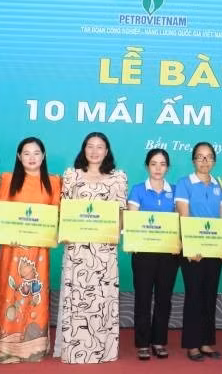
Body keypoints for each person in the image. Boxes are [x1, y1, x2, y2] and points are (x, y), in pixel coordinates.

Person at [53, 132, 127, 364]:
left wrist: (114, 232)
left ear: (107, 151)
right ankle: (75, 349)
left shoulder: (118, 178)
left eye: (100, 147)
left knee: (102, 300)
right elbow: (63, 210)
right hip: (77, 251)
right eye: (90, 146)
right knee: (77, 297)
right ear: (83, 149)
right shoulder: (71, 176)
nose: (95, 151)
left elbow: (121, 214)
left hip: (104, 251)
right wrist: (64, 231)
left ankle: (102, 350)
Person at [0, 137, 61, 363]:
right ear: (19, 157)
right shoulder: (8, 179)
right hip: (12, 250)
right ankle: (5, 347)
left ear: (44, 156)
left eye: (36, 153)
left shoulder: (53, 182)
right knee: (10, 293)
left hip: (39, 252)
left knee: (35, 294)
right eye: (26, 153)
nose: (32, 158)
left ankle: (34, 347)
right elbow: (0, 213)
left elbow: (56, 216)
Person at [174, 142, 222, 362]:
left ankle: (206, 342)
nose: (204, 161)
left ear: (214, 161)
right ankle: (192, 344)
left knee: (209, 296)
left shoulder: (220, 185)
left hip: (215, 249)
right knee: (194, 296)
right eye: (200, 157)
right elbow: (183, 216)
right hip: (193, 251)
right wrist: (191, 245)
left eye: (208, 157)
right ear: (193, 160)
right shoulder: (184, 183)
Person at [127, 149, 178, 360]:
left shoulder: (175, 191)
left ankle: (159, 341)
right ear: (147, 166)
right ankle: (142, 343)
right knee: (143, 298)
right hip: (144, 253)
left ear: (168, 167)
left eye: (163, 164)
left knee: (164, 299)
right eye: (154, 163)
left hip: (168, 253)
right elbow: (132, 220)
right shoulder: (138, 190)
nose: (158, 168)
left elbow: (179, 220)